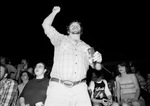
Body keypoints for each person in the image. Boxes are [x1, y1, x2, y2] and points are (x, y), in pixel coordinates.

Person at [42, 6, 102, 106]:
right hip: (58, 88)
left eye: (77, 25)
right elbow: (45, 25)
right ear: (68, 30)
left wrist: (98, 59)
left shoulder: (88, 47)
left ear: (81, 30)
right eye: (72, 25)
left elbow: (97, 67)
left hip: (80, 89)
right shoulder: (60, 38)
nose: (75, 26)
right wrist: (54, 12)